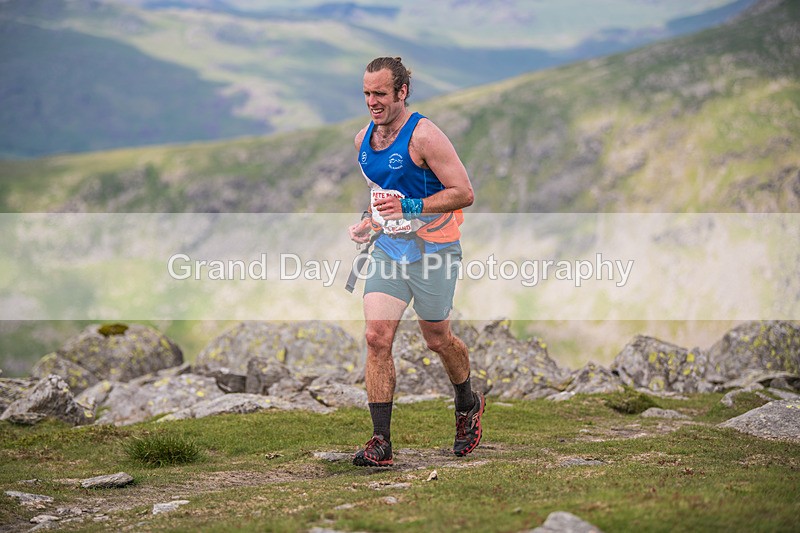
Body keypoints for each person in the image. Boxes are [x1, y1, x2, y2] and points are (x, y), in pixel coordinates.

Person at [347, 56, 484, 467]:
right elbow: (380, 197)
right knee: (376, 338)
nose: (373, 101)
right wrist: (368, 223)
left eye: (381, 94)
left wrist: (408, 206)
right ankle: (381, 442)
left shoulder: (424, 136)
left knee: (437, 338)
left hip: (434, 251)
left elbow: (464, 192)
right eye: (367, 93)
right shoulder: (362, 142)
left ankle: (467, 402)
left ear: (402, 92)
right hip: (390, 252)